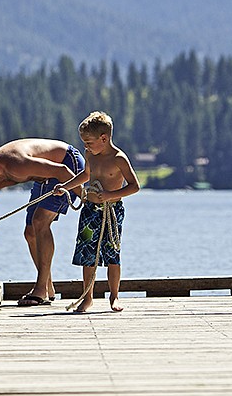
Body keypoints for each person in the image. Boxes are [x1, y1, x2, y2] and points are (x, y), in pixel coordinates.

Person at [0, 139, 84, 306]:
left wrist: (87, 198)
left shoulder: (15, 163)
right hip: (44, 177)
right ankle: (48, 288)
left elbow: (62, 170)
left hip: (67, 163)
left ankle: (40, 289)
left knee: (40, 222)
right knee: (30, 233)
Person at [54, 111, 140, 312]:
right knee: (87, 254)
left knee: (112, 254)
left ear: (104, 138)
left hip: (112, 211)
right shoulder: (90, 154)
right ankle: (88, 297)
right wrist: (65, 186)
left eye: (89, 142)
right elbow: (85, 175)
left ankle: (114, 296)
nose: (86, 146)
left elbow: (134, 186)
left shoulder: (119, 158)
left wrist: (111, 195)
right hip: (90, 210)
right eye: (84, 142)